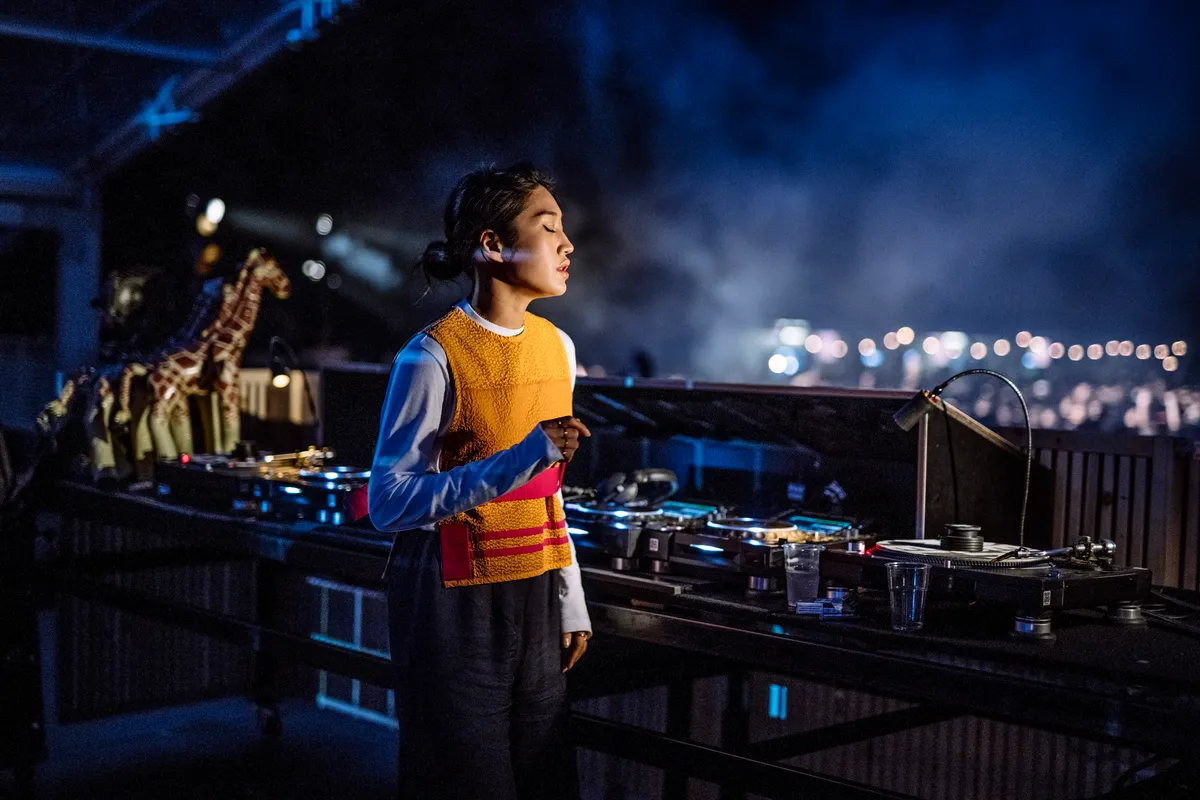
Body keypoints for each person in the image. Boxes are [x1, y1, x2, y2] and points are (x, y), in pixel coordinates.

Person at [367, 163, 592, 800]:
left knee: (544, 782)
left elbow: (548, 490)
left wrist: (570, 598)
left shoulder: (559, 347)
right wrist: (520, 457)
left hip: (535, 591)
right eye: (548, 227)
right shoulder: (431, 355)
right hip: (450, 600)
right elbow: (388, 502)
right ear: (492, 245)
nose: (568, 244)